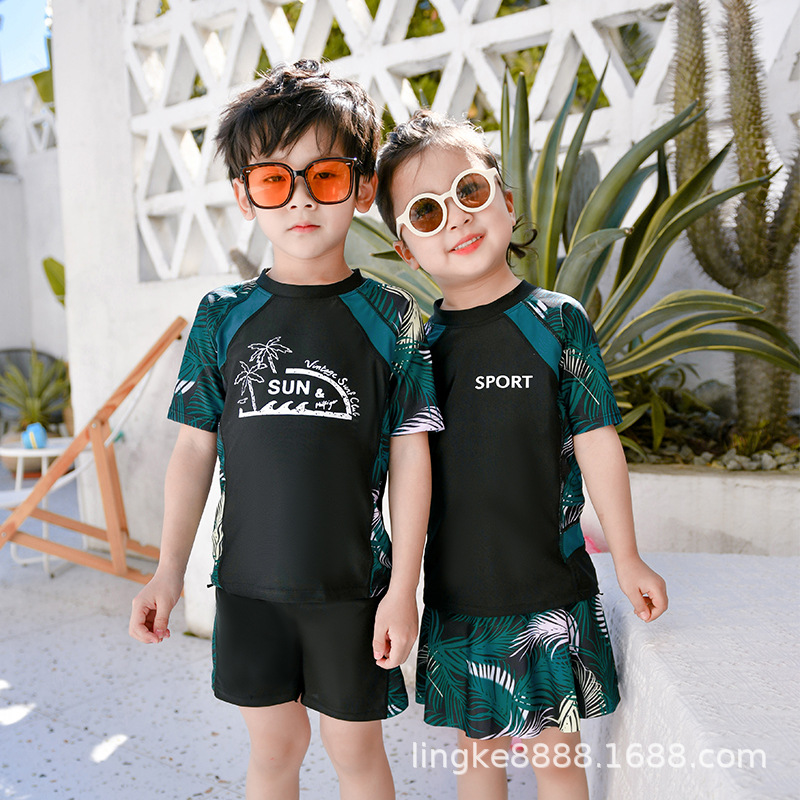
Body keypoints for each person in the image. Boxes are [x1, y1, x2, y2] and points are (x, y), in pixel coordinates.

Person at [129, 61, 444, 800]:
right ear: (246, 197)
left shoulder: (395, 318)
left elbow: (412, 459)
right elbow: (194, 449)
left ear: (362, 188)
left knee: (354, 751)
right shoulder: (221, 316)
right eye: (275, 180)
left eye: (325, 175)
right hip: (248, 587)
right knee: (274, 750)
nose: (301, 198)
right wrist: (167, 570)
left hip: (353, 588)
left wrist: (405, 589)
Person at [375, 109, 669, 800]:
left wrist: (627, 557)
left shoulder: (558, 322)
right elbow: (406, 479)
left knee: (557, 760)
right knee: (477, 758)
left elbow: (597, 440)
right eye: (426, 211)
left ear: (506, 201)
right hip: (460, 601)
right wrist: (402, 590)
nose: (455, 217)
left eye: (469, 191)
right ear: (407, 249)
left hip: (551, 593)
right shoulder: (417, 351)